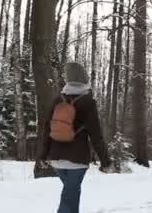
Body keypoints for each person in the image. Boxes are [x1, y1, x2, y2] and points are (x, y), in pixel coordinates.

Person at [39, 62, 113, 213]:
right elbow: (96, 135)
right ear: (84, 80)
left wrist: (43, 156)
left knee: (72, 192)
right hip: (77, 160)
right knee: (69, 196)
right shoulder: (88, 102)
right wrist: (105, 162)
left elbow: (47, 129)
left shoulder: (57, 100)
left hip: (56, 158)